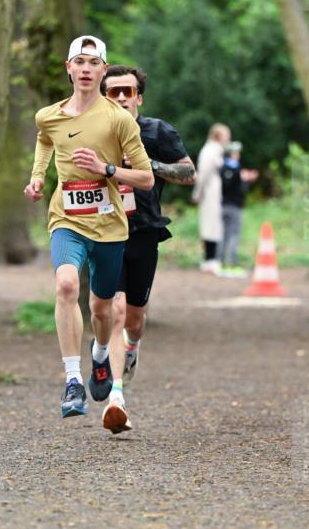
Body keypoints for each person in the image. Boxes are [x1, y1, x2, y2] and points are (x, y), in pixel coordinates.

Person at [24, 36, 154, 418]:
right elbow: (45, 139)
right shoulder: (48, 115)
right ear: (69, 69)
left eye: (92, 62)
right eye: (78, 61)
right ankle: (72, 381)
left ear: (102, 70)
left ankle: (99, 355)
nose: (85, 68)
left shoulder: (119, 119)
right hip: (66, 217)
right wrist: (37, 177)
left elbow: (145, 178)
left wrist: (106, 169)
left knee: (102, 309)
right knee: (66, 285)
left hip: (109, 225)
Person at [101, 65, 196, 435]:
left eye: (128, 91)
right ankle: (115, 397)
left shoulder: (158, 132)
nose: (122, 98)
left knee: (135, 320)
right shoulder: (93, 132)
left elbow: (188, 174)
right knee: (116, 308)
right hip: (105, 230)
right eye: (114, 92)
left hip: (144, 230)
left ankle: (132, 348)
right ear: (105, 97)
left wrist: (148, 165)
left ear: (139, 96)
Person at [192, 123, 230, 274]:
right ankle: (210, 260)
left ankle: (212, 259)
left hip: (214, 193)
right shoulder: (209, 151)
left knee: (214, 226)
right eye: (227, 136)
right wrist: (197, 194)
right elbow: (203, 175)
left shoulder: (217, 150)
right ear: (219, 136)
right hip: (208, 193)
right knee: (209, 226)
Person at [219, 141, 259, 277]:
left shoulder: (222, 168)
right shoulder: (236, 170)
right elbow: (240, 189)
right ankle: (232, 264)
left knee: (224, 235)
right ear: (232, 154)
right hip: (235, 206)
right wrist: (247, 180)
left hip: (223, 205)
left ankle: (221, 264)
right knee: (234, 235)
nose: (238, 155)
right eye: (236, 153)